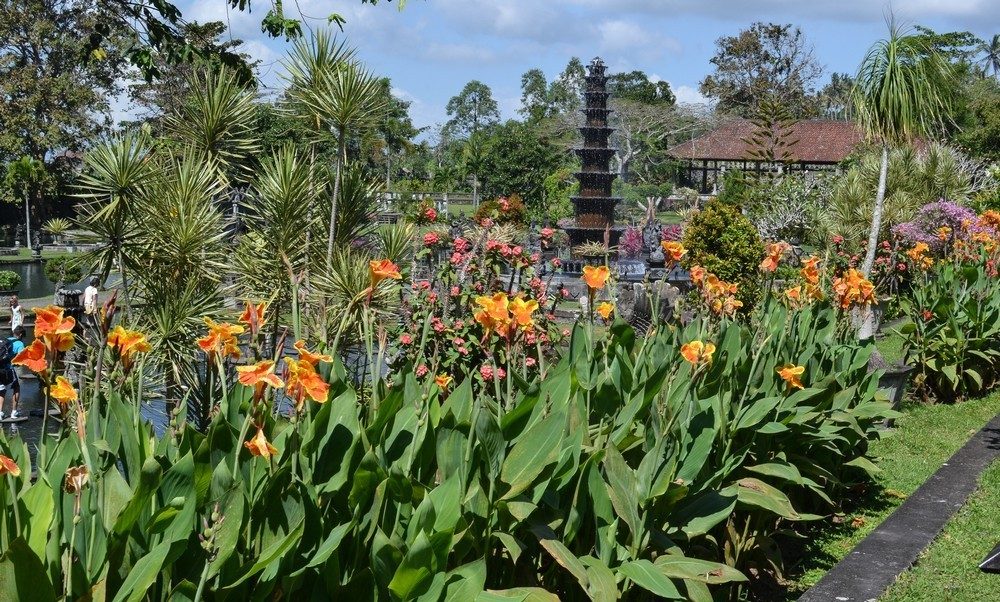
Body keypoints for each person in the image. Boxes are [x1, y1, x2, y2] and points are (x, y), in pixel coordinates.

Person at [0, 326, 25, 421]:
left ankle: (0, 413)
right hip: (8, 368)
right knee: (16, 387)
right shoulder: (20, 343)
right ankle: (14, 412)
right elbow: (21, 359)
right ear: (21, 334)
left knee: (1, 390)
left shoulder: (5, 340)